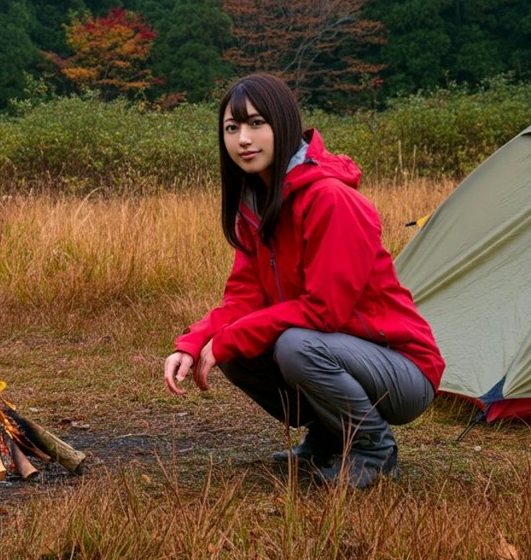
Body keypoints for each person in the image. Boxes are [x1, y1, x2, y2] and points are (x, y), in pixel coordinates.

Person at [163, 73, 444, 488]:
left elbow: (325, 311)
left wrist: (228, 338)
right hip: (339, 351)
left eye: (257, 123)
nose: (243, 139)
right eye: (232, 127)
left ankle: (374, 450)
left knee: (293, 345)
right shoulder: (256, 204)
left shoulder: (331, 199)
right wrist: (193, 342)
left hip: (403, 369)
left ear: (285, 125)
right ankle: (330, 436)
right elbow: (243, 299)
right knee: (237, 346)